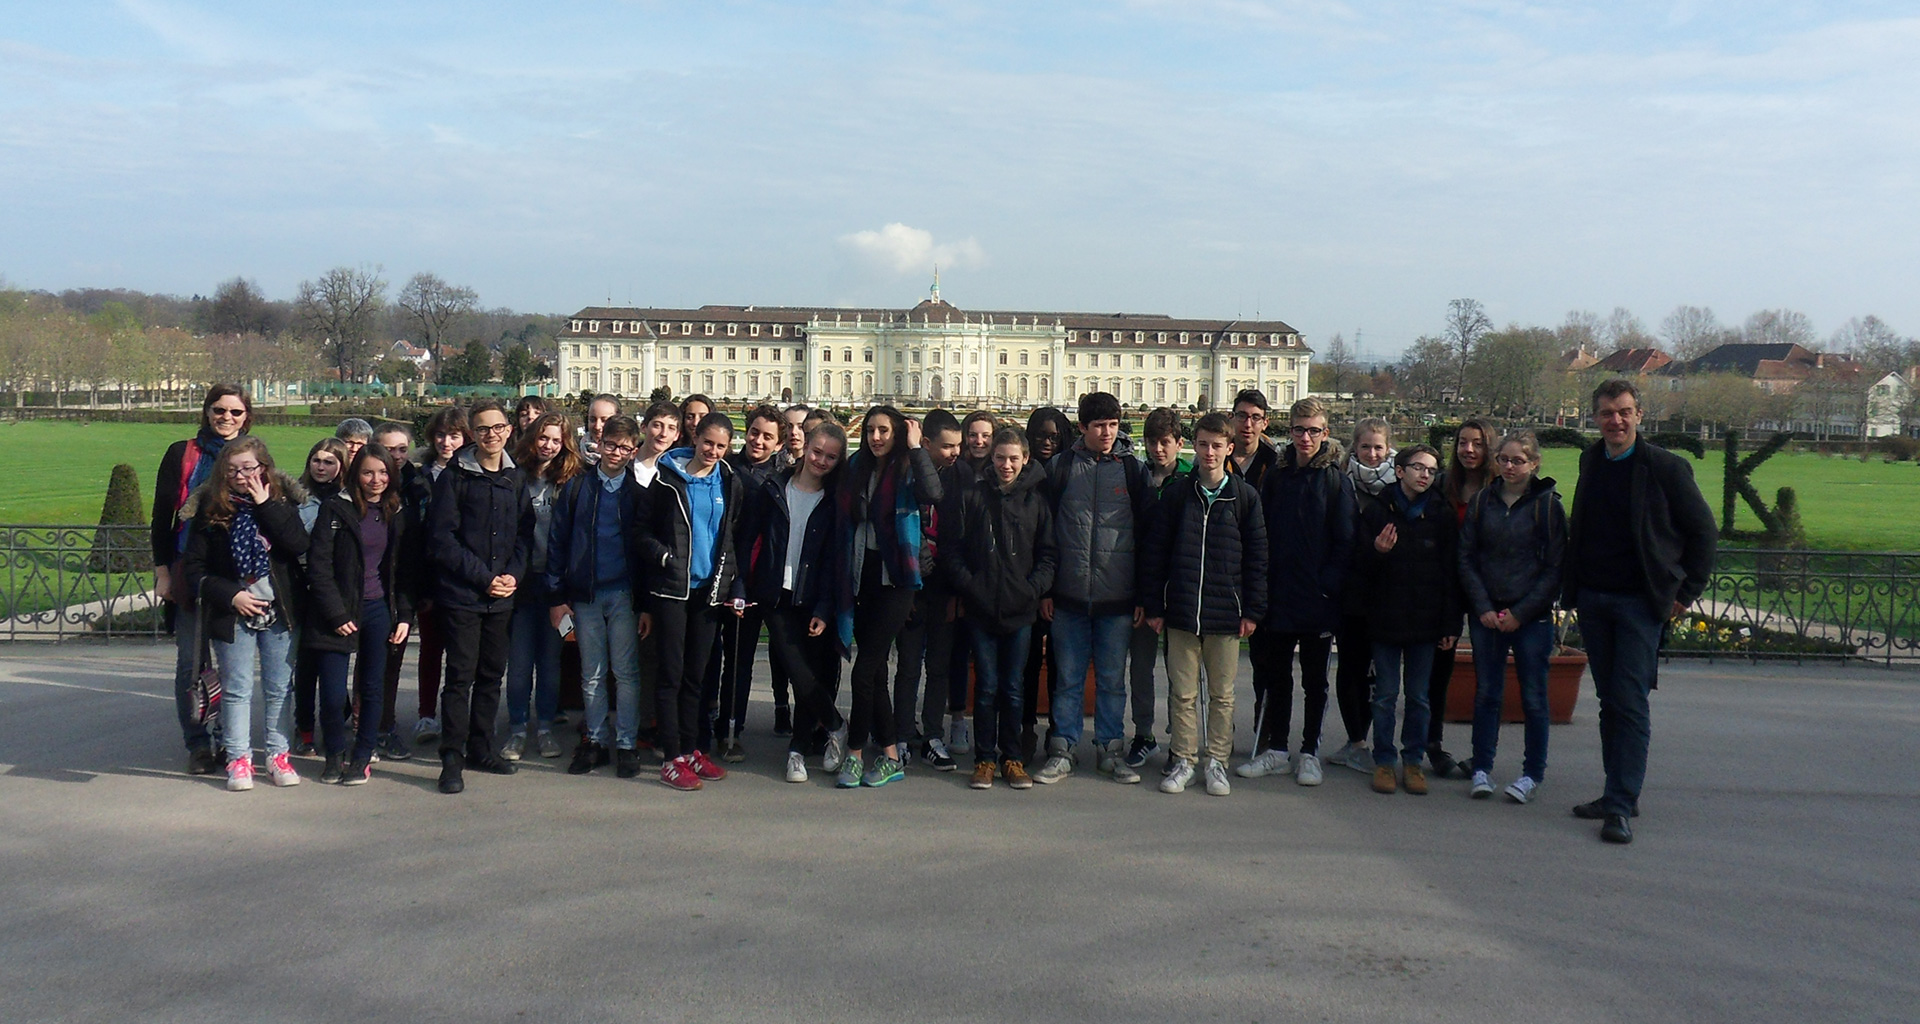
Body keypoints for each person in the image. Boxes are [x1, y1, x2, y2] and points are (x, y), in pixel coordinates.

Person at [1563, 379, 1715, 844]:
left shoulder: (1665, 468)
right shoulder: (1592, 460)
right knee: (1611, 701)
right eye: (1607, 413)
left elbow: (1703, 533)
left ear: (1639, 415)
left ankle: (1622, 802)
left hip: (1638, 603)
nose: (1616, 420)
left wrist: (1685, 593)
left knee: (1629, 703)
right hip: (1595, 597)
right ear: (1595, 418)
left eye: (1625, 411)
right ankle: (1617, 792)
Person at [1140, 413, 1268, 796]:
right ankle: (1183, 759)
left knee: (1222, 695)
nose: (1209, 452)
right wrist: (1154, 605)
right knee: (1182, 693)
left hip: (1225, 613)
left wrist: (1252, 610)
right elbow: (1156, 553)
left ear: (1230, 449)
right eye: (1203, 444)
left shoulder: (1244, 497)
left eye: (1217, 445)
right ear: (1193, 447)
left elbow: (1257, 558)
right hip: (1181, 609)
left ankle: (1217, 761)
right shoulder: (1179, 494)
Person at [179, 437, 311, 791]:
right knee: (237, 689)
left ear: (263, 468)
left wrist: (265, 503)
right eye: (233, 469)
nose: (241, 476)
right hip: (234, 611)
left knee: (279, 688)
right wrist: (232, 595)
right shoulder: (210, 507)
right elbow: (194, 568)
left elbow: (298, 544)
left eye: (249, 468)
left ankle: (277, 754)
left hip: (279, 609)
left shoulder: (283, 501)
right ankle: (238, 758)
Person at [1034, 391, 1151, 786]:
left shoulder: (1133, 471)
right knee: (1067, 677)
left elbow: (1147, 538)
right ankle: (1062, 749)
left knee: (1112, 680)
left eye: (1113, 425)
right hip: (1067, 595)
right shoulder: (1061, 468)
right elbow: (1044, 532)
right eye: (1099, 425)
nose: (1106, 433)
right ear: (1082, 427)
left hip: (1117, 598)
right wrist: (1046, 590)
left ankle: (1110, 750)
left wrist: (1143, 596)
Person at [1239, 397, 1355, 788]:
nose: (1306, 438)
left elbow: (1345, 541)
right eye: (1299, 430)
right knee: (1277, 678)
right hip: (1280, 595)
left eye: (1314, 431)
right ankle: (1277, 748)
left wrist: (1327, 587)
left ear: (1325, 433)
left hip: (1318, 601)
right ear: (1289, 431)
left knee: (1315, 682)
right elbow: (1261, 532)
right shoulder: (1276, 475)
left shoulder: (1336, 479)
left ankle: (1309, 751)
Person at [426, 399, 534, 795]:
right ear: (473, 433)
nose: (492, 435)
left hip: (501, 597)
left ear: (509, 430)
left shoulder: (515, 476)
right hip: (463, 596)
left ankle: (480, 747)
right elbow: (441, 540)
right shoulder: (454, 477)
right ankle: (451, 758)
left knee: (491, 677)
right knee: (460, 678)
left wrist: (512, 577)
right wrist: (485, 578)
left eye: (499, 428)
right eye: (484, 429)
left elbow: (524, 534)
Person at [831, 405, 942, 788]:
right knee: (875, 674)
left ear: (897, 433)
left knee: (864, 669)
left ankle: (857, 753)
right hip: (862, 577)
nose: (876, 437)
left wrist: (915, 448)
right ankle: (892, 756)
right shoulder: (857, 467)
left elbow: (933, 494)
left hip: (897, 578)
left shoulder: (909, 466)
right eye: (871, 430)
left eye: (884, 431)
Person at [735, 422, 849, 783]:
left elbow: (835, 559)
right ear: (804, 448)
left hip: (813, 595)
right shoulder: (773, 488)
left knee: (809, 675)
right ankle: (835, 724)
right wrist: (741, 585)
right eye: (817, 452)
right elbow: (748, 540)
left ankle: (797, 750)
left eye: (831, 457)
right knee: (796, 668)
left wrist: (824, 608)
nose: (821, 461)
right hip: (776, 592)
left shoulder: (835, 500)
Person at [1458, 429, 1566, 804]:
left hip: (1529, 619)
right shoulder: (1481, 502)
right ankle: (1482, 767)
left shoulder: (1547, 505)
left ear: (1534, 464)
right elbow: (1466, 557)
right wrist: (1484, 607)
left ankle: (1531, 773)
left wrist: (1520, 613)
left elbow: (1554, 568)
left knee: (1534, 698)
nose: (1509, 466)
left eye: (1517, 461)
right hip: (1488, 615)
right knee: (1487, 693)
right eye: (1503, 459)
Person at [945, 427, 1056, 791]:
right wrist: (971, 586)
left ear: (1025, 460)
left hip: (1020, 609)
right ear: (990, 460)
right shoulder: (973, 496)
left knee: (1013, 686)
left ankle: (1012, 757)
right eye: (999, 458)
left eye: (1012, 459)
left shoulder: (1036, 502)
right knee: (988, 687)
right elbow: (954, 550)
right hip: (981, 607)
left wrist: (1032, 589)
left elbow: (1047, 554)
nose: (1006, 465)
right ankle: (985, 759)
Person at [151, 384, 251, 775]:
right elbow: (163, 517)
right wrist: (162, 572)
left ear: (247, 417)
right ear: (207, 411)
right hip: (188, 567)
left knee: (232, 662)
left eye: (235, 412)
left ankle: (229, 739)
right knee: (190, 662)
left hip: (234, 573)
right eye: (219, 410)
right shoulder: (183, 453)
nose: (226, 418)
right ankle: (197, 742)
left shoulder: (252, 454)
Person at [638, 411, 741, 792]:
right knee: (671, 675)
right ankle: (671, 756)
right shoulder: (665, 479)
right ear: (695, 439)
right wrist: (665, 557)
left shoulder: (729, 480)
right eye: (708, 443)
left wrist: (729, 580)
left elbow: (731, 534)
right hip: (671, 590)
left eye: (721, 446)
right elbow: (641, 530)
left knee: (697, 677)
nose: (713, 451)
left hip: (708, 592)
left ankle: (693, 747)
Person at [304, 445, 413, 786]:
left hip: (379, 608)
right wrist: (336, 612)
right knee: (334, 691)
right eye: (368, 472)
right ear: (355, 475)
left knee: (372, 687)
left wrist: (404, 616)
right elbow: (318, 567)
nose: (376, 480)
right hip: (338, 610)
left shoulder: (397, 511)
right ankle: (334, 752)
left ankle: (362, 755)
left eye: (382, 472)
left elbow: (405, 570)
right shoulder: (335, 509)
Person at [548, 414, 649, 778]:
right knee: (591, 673)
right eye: (610, 445)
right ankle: (594, 740)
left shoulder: (638, 495)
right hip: (585, 593)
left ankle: (625, 743)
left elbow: (643, 550)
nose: (616, 453)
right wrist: (558, 596)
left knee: (625, 672)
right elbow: (558, 542)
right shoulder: (577, 488)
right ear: (599, 443)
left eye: (624, 448)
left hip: (623, 592)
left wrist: (646, 605)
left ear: (634, 451)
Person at [1355, 445, 1458, 797]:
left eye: (1431, 469)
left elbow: (1450, 575)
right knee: (1384, 694)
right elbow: (1359, 569)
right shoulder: (1378, 511)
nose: (1425, 475)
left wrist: (1449, 625)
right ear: (1400, 471)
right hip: (1386, 618)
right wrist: (1377, 552)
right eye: (1418, 468)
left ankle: (1412, 761)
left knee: (1418, 696)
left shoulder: (1441, 514)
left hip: (1426, 622)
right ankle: (1384, 760)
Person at [503, 412, 582, 761]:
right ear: (533, 438)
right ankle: (518, 728)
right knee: (519, 663)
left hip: (556, 585)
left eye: (556, 439)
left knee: (550, 663)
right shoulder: (516, 476)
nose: (549, 445)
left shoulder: (570, 480)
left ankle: (546, 727)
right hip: (521, 583)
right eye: (543, 438)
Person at [713, 404, 785, 762]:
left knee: (739, 662)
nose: (758, 440)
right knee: (709, 659)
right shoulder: (725, 469)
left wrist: (745, 583)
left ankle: (732, 729)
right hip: (714, 577)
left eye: (767, 436)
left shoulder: (778, 480)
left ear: (778, 442)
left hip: (751, 584)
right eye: (754, 432)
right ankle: (704, 723)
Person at [1424, 417, 1494, 779]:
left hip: (1487, 588)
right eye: (1463, 443)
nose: (1469, 450)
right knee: (1440, 671)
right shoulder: (1442, 487)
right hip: (1446, 587)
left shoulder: (1499, 488)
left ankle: (1483, 755)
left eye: (1478, 443)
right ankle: (1432, 744)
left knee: (1488, 675)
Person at [897, 407, 965, 771]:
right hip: (913, 584)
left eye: (958, 445)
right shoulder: (908, 471)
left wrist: (957, 591)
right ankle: (904, 733)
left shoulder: (959, 477)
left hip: (941, 585)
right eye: (947, 446)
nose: (955, 452)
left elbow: (959, 536)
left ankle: (933, 734)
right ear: (924, 444)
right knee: (908, 665)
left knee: (938, 665)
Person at [1125, 407, 1190, 772]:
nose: (1158, 449)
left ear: (1179, 444)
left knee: (1181, 671)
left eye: (1165, 442)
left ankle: (1181, 739)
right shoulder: (1138, 477)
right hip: (1146, 588)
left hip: (1180, 588)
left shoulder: (1192, 478)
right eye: (1152, 442)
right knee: (1141, 667)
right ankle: (1145, 732)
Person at [1328, 417, 1394, 774]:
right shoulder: (1342, 483)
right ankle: (1357, 741)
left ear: (1388, 450)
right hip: (1350, 590)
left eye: (1378, 447)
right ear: (1355, 448)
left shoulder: (1400, 486)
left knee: (1378, 673)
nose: (1371, 454)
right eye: (1365, 447)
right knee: (1351, 668)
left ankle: (1372, 740)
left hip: (1386, 594)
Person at [403, 407, 468, 751]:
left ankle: (458, 717)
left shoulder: (472, 471)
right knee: (430, 650)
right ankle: (427, 713)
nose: (447, 442)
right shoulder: (420, 477)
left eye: (455, 435)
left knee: (462, 654)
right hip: (430, 576)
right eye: (441, 435)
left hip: (464, 578)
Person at [1015, 406, 1073, 764]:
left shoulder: (1065, 473)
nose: (1048, 442)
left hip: (1062, 583)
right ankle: (1024, 729)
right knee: (1027, 662)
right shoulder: (1026, 477)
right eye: (1041, 436)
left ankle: (1056, 730)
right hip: (1029, 583)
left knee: (1059, 663)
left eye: (1054, 437)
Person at [292, 437, 350, 756]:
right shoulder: (297, 497)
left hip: (334, 591)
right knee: (305, 666)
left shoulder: (349, 499)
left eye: (329, 461)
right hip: (302, 588)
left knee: (332, 664)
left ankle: (337, 719)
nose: (321, 467)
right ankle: (304, 729)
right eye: (317, 460)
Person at [370, 421, 420, 760]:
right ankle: (367, 729)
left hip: (401, 588)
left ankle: (384, 727)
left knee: (390, 666)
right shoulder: (366, 488)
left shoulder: (418, 485)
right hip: (369, 591)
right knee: (369, 669)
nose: (397, 456)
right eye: (390, 450)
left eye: (402, 450)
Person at [1225, 388, 1280, 487]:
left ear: (1265, 423)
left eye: (1256, 417)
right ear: (1231, 418)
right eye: (1242, 416)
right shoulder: (1217, 456)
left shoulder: (1274, 461)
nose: (1248, 424)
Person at [581, 394, 621, 463]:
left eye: (604, 420)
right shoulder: (574, 456)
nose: (597, 426)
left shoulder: (627, 459)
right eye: (593, 420)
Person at [960, 410, 997, 478]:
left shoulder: (1001, 472)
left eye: (985, 436)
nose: (979, 441)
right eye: (973, 435)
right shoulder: (953, 470)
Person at [778, 403, 810, 471]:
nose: (793, 432)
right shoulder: (772, 463)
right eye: (789, 427)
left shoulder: (816, 466)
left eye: (800, 427)